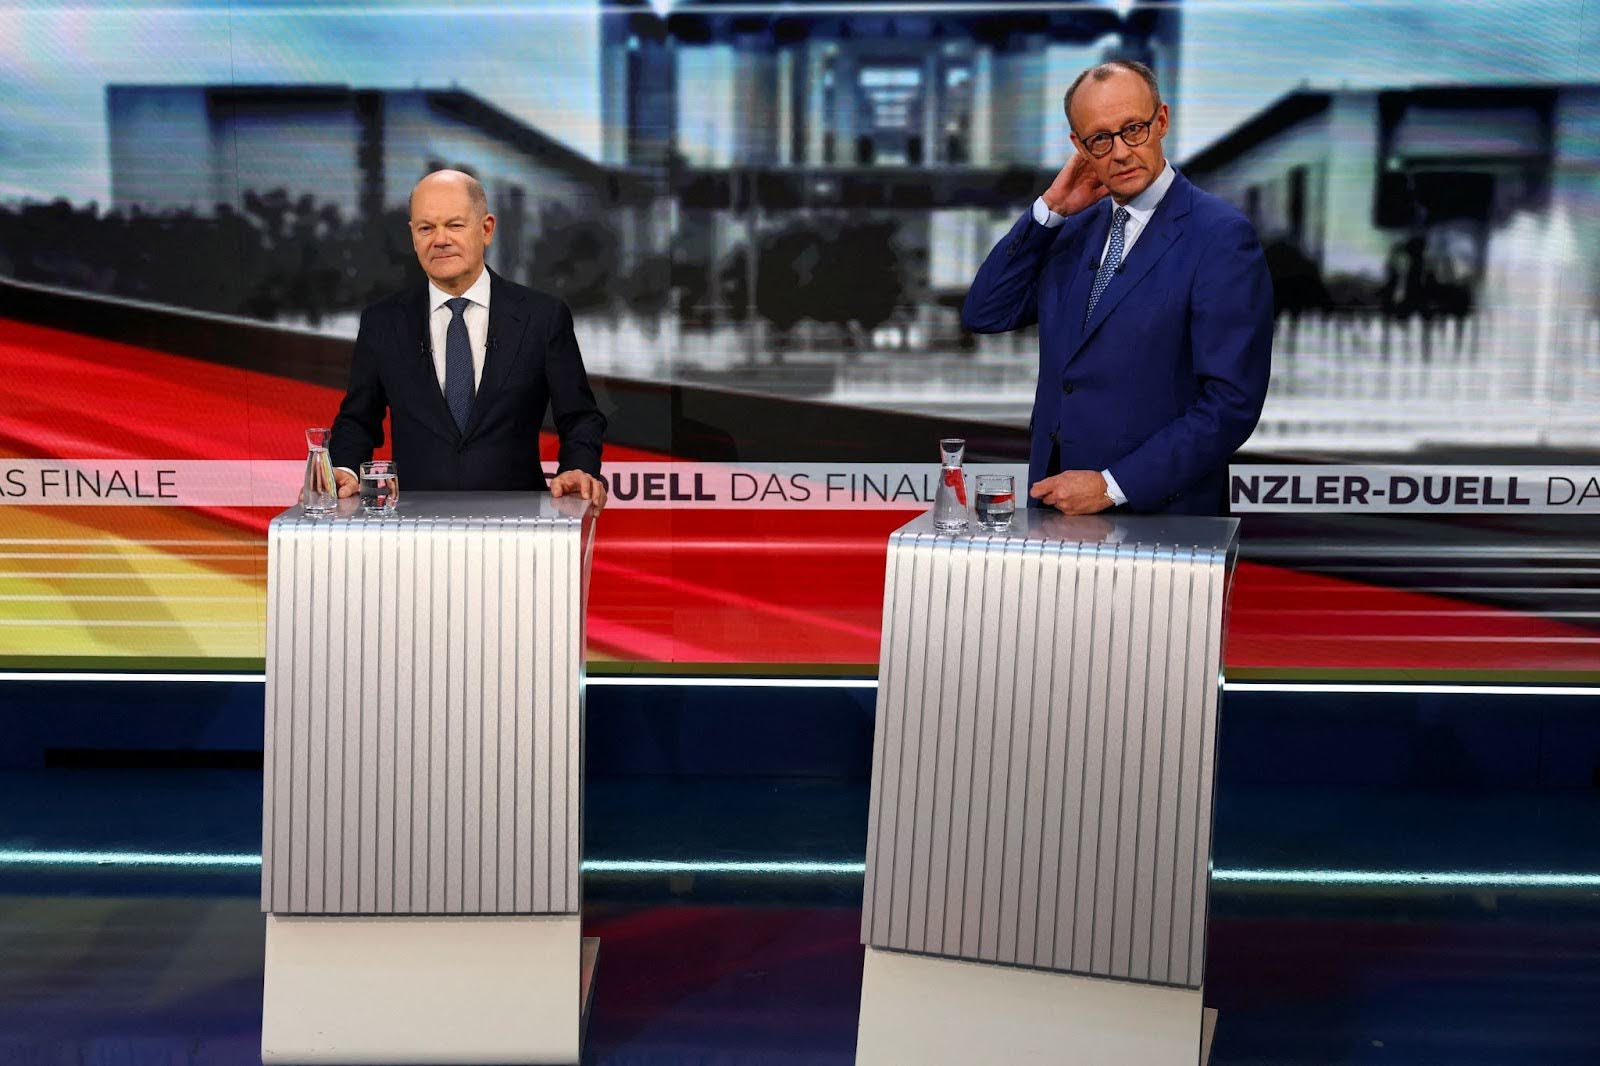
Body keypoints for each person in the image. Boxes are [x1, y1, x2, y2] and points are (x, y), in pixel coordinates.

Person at [962, 61, 1272, 516]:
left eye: (1134, 129)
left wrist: (1112, 486)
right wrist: (1049, 210)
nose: (1121, 152)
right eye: (1100, 139)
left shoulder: (1221, 236)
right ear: (1079, 147)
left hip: (1163, 520)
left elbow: (1231, 403)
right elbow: (986, 312)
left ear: (1161, 121)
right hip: (1055, 507)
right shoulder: (1070, 230)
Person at [329, 169, 608, 509]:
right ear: (413, 235)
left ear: (486, 228)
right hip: (415, 528)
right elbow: (357, 419)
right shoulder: (383, 321)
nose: (440, 239)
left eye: (455, 225)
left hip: (516, 527)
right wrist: (344, 469)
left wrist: (578, 467)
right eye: (426, 228)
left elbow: (581, 417)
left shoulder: (542, 317)